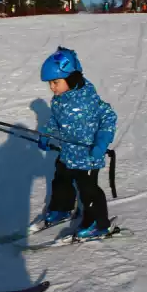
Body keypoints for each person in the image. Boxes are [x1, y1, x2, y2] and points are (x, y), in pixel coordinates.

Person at [36, 47, 117, 239]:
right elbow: (55, 120)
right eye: (50, 83)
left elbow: (109, 117)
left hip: (88, 156)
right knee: (61, 181)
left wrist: (101, 143)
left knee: (89, 191)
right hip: (67, 154)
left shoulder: (88, 99)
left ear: (71, 79)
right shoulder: (58, 100)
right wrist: (47, 134)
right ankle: (62, 209)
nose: (52, 88)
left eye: (56, 82)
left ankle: (98, 223)